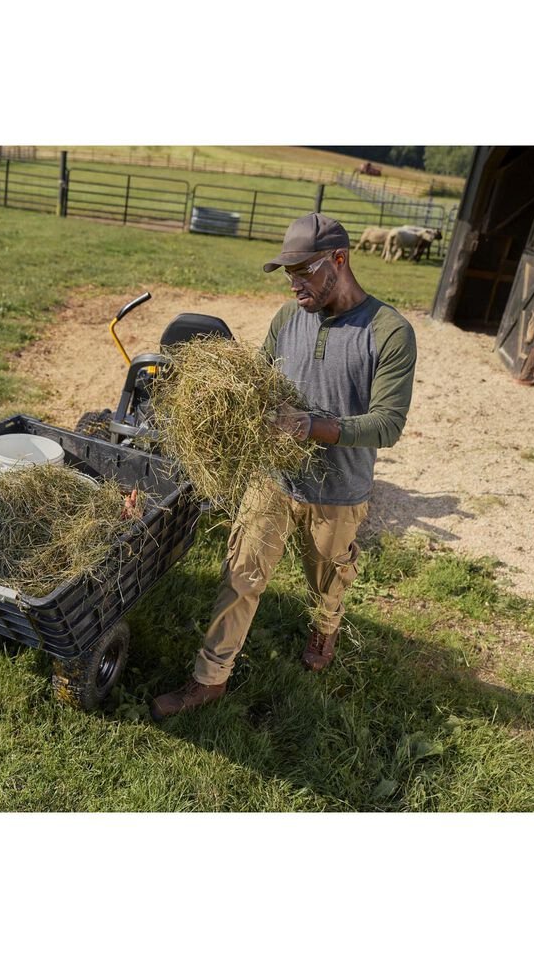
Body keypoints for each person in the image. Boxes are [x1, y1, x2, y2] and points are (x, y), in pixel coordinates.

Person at [151, 213, 417, 721]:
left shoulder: (388, 332)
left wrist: (311, 425)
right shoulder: (286, 319)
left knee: (328, 581)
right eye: (287, 273)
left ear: (339, 260)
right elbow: (259, 385)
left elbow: (388, 424)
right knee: (241, 576)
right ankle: (209, 680)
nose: (294, 284)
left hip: (338, 489)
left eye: (303, 271)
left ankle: (324, 628)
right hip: (272, 480)